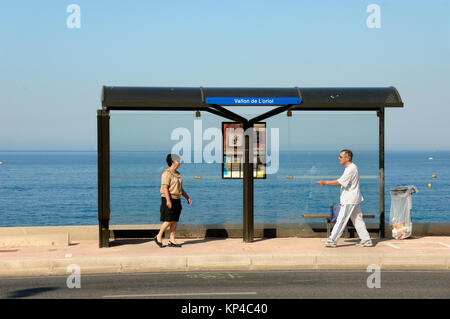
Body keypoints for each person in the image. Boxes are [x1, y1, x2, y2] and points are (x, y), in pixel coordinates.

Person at [316, 150, 373, 248]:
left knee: (341, 219)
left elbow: (340, 182)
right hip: (352, 198)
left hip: (349, 200)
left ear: (348, 158)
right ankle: (366, 240)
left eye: (341, 157)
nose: (339, 158)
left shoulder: (351, 169)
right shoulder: (351, 168)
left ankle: (332, 240)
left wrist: (325, 182)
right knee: (357, 220)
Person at [154, 154, 192, 248]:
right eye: (178, 160)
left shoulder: (177, 174)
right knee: (168, 220)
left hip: (177, 198)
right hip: (169, 198)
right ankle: (158, 236)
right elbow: (165, 187)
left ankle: (172, 239)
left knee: (175, 220)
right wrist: (168, 200)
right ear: (173, 162)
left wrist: (187, 197)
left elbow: (180, 189)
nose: (180, 162)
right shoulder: (166, 173)